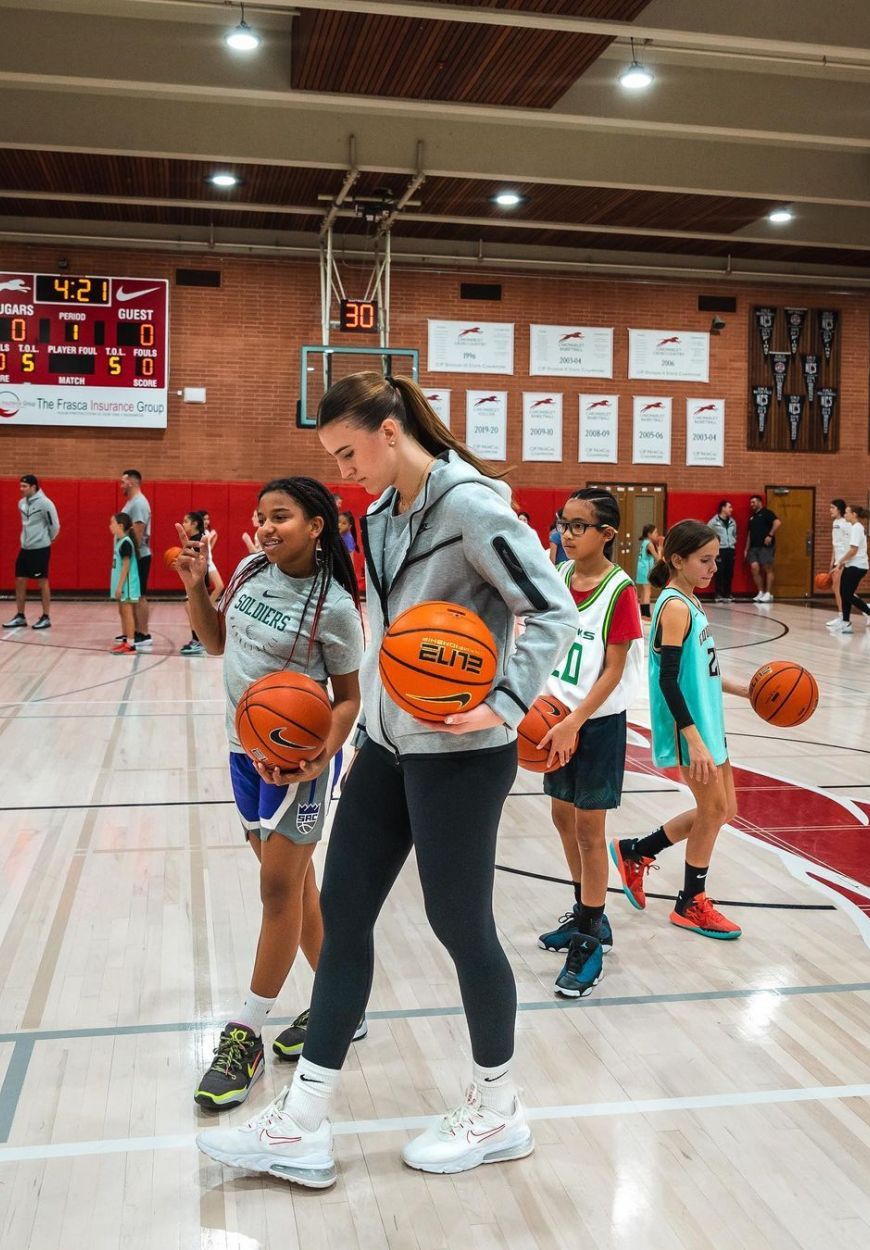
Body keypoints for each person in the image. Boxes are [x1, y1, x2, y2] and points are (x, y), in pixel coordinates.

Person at [197, 371, 577, 1188]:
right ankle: (301, 1124)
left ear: (391, 429)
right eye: (331, 458)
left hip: (463, 756)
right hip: (385, 744)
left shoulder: (474, 506)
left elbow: (553, 608)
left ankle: (497, 1106)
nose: (343, 473)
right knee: (345, 918)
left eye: (347, 452)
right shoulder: (375, 519)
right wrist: (347, 730)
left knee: (459, 924)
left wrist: (505, 702)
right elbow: (387, 637)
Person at [176, 477, 366, 1111]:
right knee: (297, 886)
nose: (265, 526)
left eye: (280, 516)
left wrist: (316, 754)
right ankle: (343, 1003)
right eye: (261, 516)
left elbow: (349, 701)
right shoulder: (253, 569)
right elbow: (215, 641)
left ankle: (247, 1033)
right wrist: (195, 583)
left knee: (278, 890)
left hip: (299, 764)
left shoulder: (334, 606)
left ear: (317, 525)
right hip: (241, 749)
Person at [609, 520, 750, 940]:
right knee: (711, 811)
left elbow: (699, 672)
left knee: (725, 811)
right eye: (704, 560)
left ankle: (637, 850)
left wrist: (744, 689)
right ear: (676, 560)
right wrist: (692, 738)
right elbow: (668, 679)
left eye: (716, 560)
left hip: (710, 723)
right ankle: (691, 901)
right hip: (693, 729)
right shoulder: (672, 606)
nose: (712, 568)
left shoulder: (691, 601)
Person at [536, 489, 643, 999]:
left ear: (607, 534)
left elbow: (614, 669)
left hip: (594, 725)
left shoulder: (619, 589)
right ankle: (586, 914)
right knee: (561, 818)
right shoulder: (557, 576)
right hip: (553, 721)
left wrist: (575, 721)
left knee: (587, 830)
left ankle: (590, 937)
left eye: (580, 526)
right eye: (564, 524)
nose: (567, 533)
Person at [3, 474, 59, 630]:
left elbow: (54, 525)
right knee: (20, 580)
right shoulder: (21, 503)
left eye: (24, 486)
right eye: (20, 486)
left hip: (40, 548)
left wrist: (47, 539)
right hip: (25, 548)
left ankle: (46, 616)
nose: (21, 489)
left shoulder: (46, 504)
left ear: (33, 487)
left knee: (42, 582)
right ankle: (20, 616)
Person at [833, 505, 870, 634]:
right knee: (844, 593)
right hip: (851, 565)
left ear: (854, 514)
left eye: (846, 512)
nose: (844, 515)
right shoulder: (854, 527)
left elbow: (853, 550)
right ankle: (846, 623)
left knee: (847, 594)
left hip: (858, 566)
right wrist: (844, 562)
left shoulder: (857, 528)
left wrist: (840, 561)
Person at [179, 511, 222, 656]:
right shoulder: (198, 538)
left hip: (197, 580)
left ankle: (197, 640)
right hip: (199, 577)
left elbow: (197, 563)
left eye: (186, 521)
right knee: (190, 606)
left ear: (194, 523)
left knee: (190, 606)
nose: (183, 524)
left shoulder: (197, 541)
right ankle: (198, 639)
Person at [120, 469, 153, 649]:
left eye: (123, 482)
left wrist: (130, 557)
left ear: (131, 482)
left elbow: (138, 531)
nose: (121, 486)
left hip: (139, 556)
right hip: (134, 556)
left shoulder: (139, 503)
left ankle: (143, 633)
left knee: (139, 595)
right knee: (134, 594)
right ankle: (133, 630)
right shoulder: (132, 502)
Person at [109, 512, 141, 654]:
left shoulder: (126, 543)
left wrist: (120, 585)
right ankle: (125, 641)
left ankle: (131, 644)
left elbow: (126, 566)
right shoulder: (120, 541)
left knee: (127, 613)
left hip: (127, 585)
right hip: (122, 585)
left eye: (112, 523)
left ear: (120, 525)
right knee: (122, 611)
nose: (110, 526)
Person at [745, 494, 780, 603]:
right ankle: (761, 592)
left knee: (767, 568)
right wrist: (746, 549)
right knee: (754, 568)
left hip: (765, 547)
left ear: (760, 502)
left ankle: (768, 593)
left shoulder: (767, 513)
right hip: (753, 547)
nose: (752, 504)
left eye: (753, 502)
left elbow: (777, 522)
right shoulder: (752, 517)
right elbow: (750, 534)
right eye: (751, 503)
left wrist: (770, 535)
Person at [826, 498, 852, 628]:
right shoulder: (835, 522)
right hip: (838, 559)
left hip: (844, 561)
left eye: (832, 508)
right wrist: (832, 560)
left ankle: (842, 617)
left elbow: (849, 544)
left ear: (839, 510)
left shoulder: (845, 524)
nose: (830, 510)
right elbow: (835, 543)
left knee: (838, 588)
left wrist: (842, 562)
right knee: (841, 589)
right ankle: (867, 608)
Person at [707, 501, 737, 602]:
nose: (731, 509)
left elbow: (734, 534)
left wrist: (732, 542)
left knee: (729, 572)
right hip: (720, 550)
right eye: (729, 507)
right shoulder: (713, 522)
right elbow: (707, 534)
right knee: (719, 572)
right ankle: (718, 594)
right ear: (723, 508)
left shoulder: (732, 522)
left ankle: (728, 594)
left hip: (730, 549)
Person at [635, 524, 660, 619]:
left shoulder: (644, 542)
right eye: (655, 532)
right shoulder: (649, 543)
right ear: (649, 534)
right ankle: (646, 614)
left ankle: (642, 614)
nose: (657, 534)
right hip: (646, 569)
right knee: (647, 591)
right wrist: (661, 549)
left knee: (643, 591)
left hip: (641, 568)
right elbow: (657, 558)